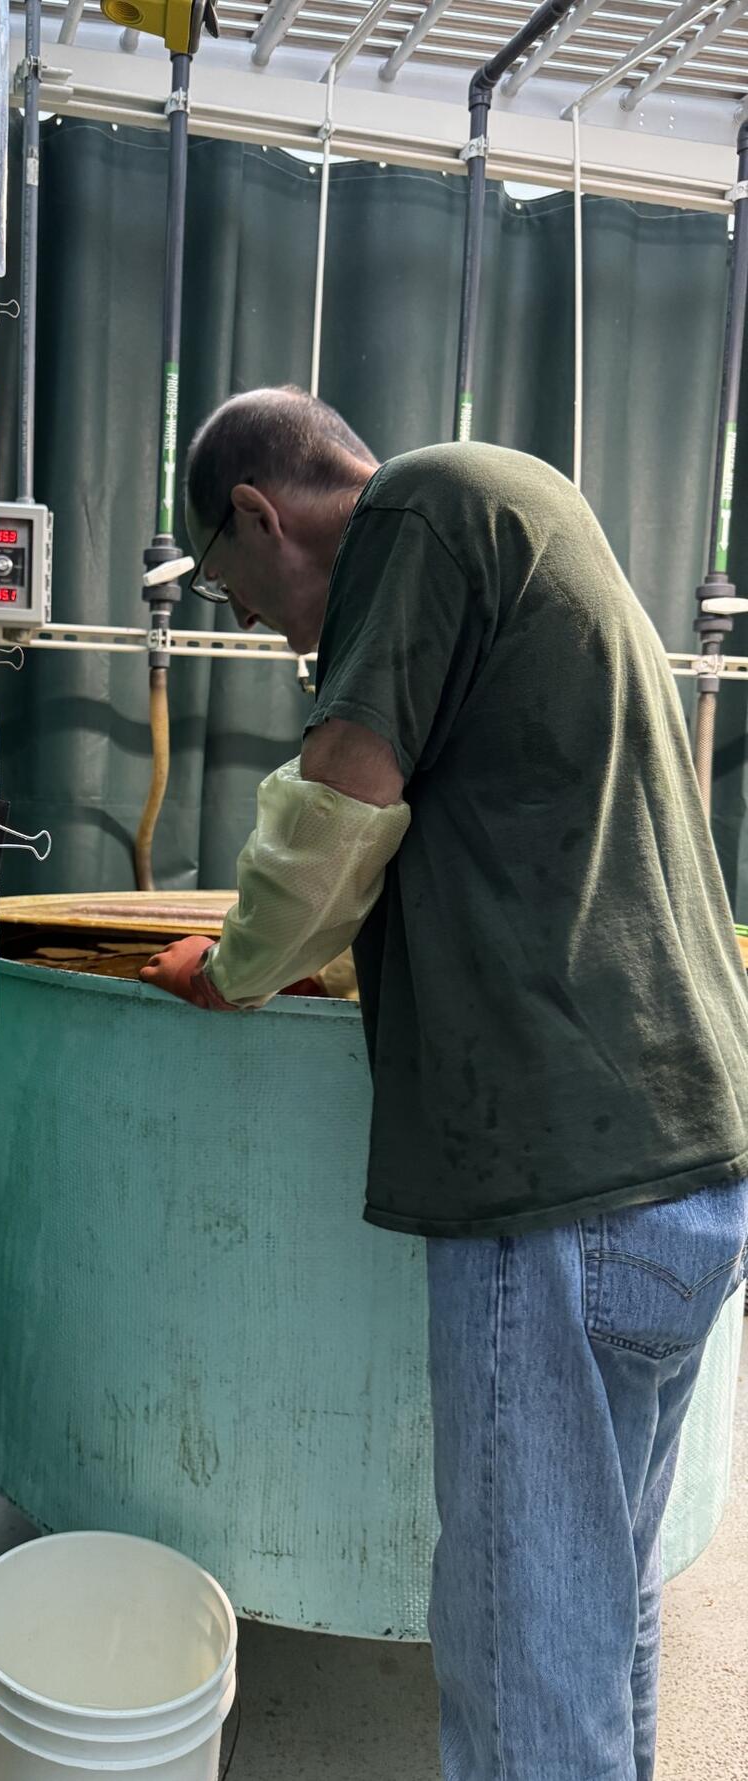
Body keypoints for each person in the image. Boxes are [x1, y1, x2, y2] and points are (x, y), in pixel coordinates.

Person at [139, 386, 748, 1781]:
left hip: (558, 1181)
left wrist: (234, 964)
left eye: (247, 599)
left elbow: (335, 813)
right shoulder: (520, 507)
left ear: (260, 512)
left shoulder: (418, 512)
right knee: (599, 1621)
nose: (275, 636)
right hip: (685, 1160)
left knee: (522, 1664)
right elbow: (485, 845)